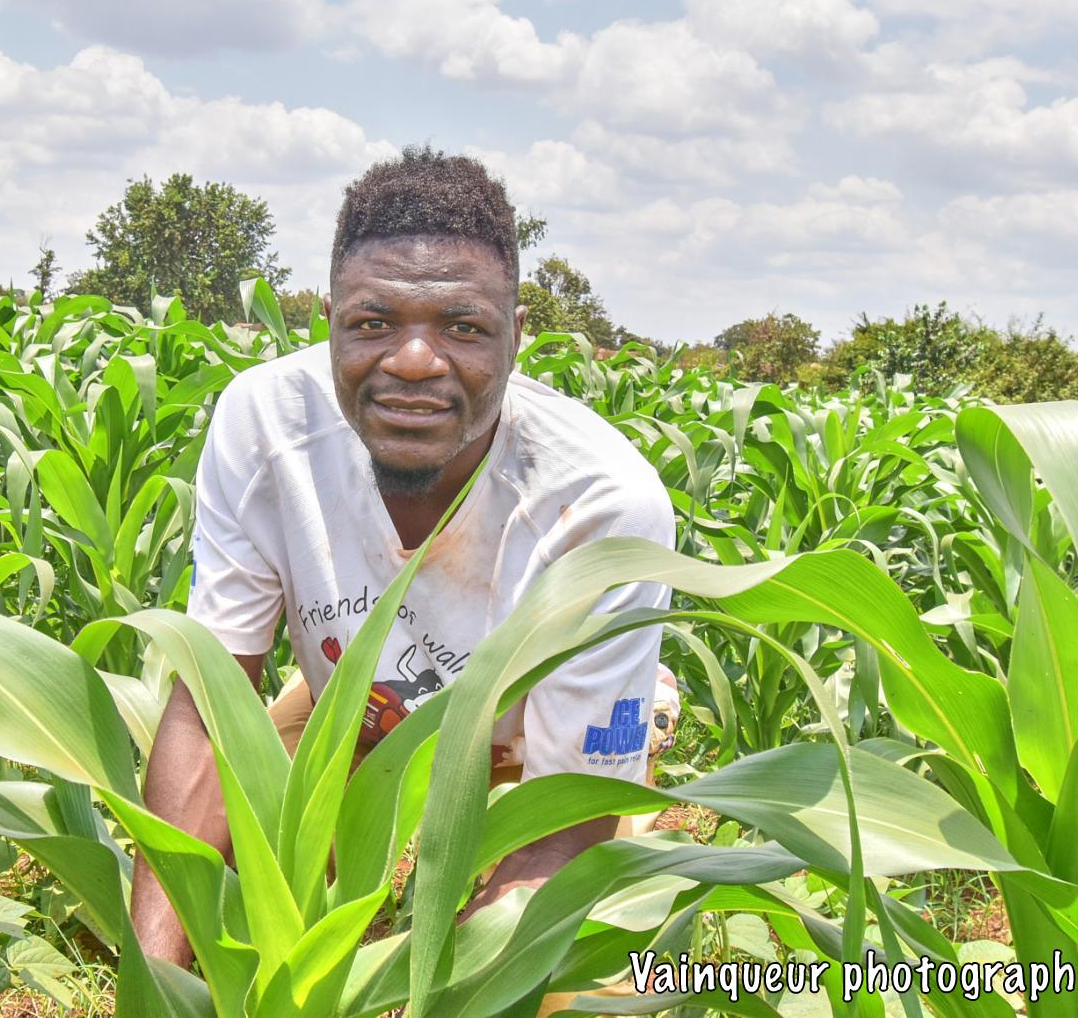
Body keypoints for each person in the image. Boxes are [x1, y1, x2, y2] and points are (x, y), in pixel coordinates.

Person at [131, 146, 678, 987]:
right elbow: (209, 707)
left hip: (538, 741)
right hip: (359, 709)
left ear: (517, 336)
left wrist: (430, 989)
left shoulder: (600, 502)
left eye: (463, 327)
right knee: (238, 896)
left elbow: (565, 827)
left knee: (563, 974)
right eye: (373, 323)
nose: (414, 361)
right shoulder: (267, 424)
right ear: (329, 323)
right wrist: (150, 987)